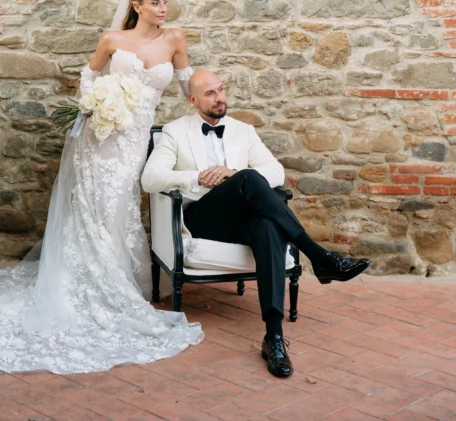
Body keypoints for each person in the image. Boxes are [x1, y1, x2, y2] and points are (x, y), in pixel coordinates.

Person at [0, 0, 202, 374]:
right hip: (102, 136)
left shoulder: (174, 39)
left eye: (164, 2)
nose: (163, 8)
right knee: (96, 204)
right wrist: (93, 105)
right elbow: (88, 76)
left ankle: (115, 278)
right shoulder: (112, 40)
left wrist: (204, 100)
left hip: (134, 140)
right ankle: (93, 280)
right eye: (155, 2)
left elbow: (189, 82)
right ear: (137, 6)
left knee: (120, 204)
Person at [141, 69, 372, 379]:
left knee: (266, 226)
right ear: (193, 99)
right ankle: (320, 257)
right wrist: (197, 176)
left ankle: (274, 338)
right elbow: (150, 178)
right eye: (211, 93)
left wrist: (232, 173)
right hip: (202, 217)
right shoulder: (174, 131)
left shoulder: (243, 131)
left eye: (222, 90)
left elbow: (275, 171)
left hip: (240, 218)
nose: (220, 97)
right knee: (248, 178)